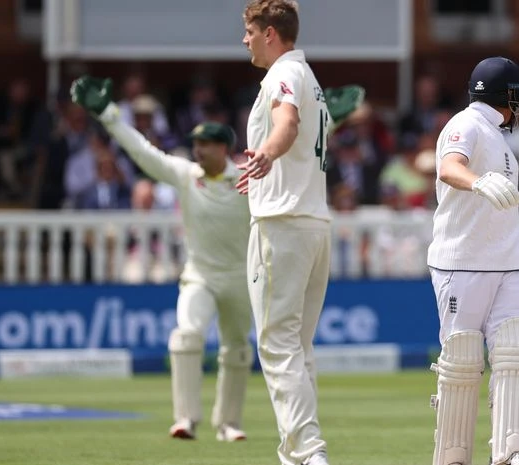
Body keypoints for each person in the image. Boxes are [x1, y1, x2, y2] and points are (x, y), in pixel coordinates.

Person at [70, 76, 253, 442]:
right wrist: (108, 115)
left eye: (205, 145)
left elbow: (295, 168)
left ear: (224, 148)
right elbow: (142, 152)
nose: (197, 150)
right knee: (186, 337)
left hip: (240, 277)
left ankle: (228, 424)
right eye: (195, 143)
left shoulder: (248, 179)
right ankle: (185, 419)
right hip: (199, 275)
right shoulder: (186, 175)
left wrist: (326, 127)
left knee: (236, 349)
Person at [233, 2, 364, 465]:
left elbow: (286, 123)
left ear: (271, 33)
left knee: (277, 343)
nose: (244, 40)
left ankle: (309, 452)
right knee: (298, 347)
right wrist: (268, 156)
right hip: (312, 223)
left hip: (281, 224)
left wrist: (265, 154)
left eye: (249, 31)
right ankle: (296, 455)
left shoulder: (283, 75)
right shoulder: (311, 79)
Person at [427, 56, 519, 465]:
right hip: (462, 262)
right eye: (517, 98)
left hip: (507, 262)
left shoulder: (499, 137)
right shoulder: (465, 124)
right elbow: (448, 167)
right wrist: (477, 181)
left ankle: (511, 454)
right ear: (504, 95)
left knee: (515, 354)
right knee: (462, 360)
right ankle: (453, 457)